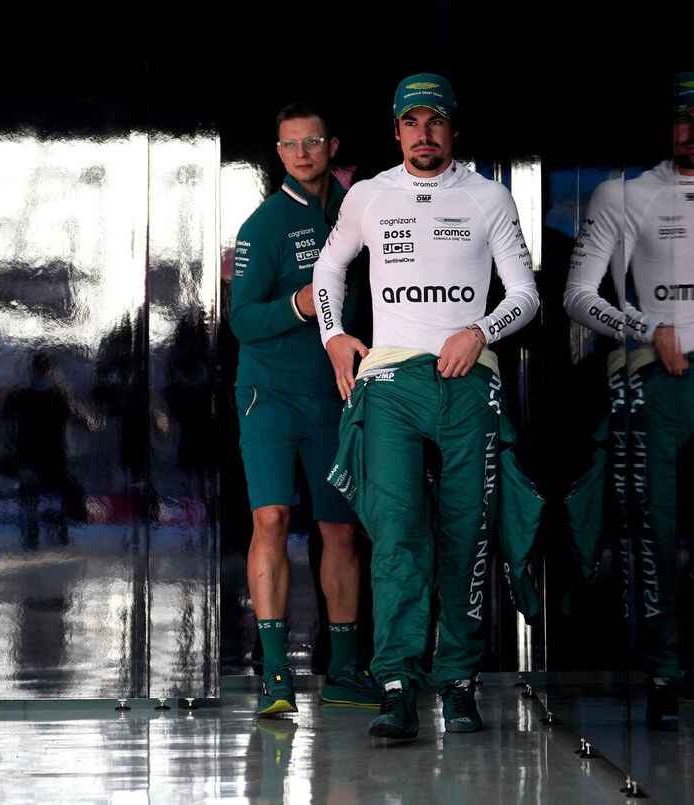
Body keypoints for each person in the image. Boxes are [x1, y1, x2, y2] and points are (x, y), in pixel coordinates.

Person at [312, 73, 539, 739]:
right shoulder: (370, 195)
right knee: (398, 534)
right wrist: (334, 338)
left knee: (467, 534)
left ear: (454, 129)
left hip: (468, 380)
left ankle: (460, 681)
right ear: (396, 131)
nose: (423, 133)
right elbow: (329, 270)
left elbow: (525, 293)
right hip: (389, 386)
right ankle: (396, 685)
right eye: (411, 122)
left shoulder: (487, 195)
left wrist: (479, 332)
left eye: (434, 121)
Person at [563, 72, 694, 739]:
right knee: (654, 537)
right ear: (665, 126)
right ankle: (665, 675)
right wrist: (647, 328)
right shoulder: (627, 194)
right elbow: (578, 296)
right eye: (684, 118)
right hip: (654, 380)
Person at [231, 102, 380, 716]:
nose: (301, 153)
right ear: (279, 152)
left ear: (331, 146)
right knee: (269, 522)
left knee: (341, 530)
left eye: (311, 142)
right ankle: (274, 678)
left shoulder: (356, 215)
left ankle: (344, 671)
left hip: (335, 395)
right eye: (289, 144)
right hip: (268, 396)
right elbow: (241, 318)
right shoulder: (263, 225)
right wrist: (298, 303)